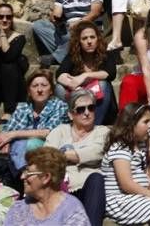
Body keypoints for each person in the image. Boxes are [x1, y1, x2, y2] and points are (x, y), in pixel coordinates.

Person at [45, 89, 109, 226]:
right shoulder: (60, 131)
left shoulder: (103, 132)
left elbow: (97, 152)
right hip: (60, 190)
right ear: (70, 114)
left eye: (91, 108)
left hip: (88, 190)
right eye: (80, 109)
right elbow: (46, 158)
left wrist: (65, 154)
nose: (87, 113)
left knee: (96, 178)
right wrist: (73, 155)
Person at [0, 69, 69, 179]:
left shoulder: (59, 105)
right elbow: (6, 131)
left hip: (50, 149)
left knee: (28, 143)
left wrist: (13, 135)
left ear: (51, 90)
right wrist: (4, 142)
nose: (39, 90)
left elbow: (48, 132)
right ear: (29, 91)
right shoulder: (22, 108)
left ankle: (25, 175)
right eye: (35, 86)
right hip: (21, 152)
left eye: (44, 85)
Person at [32, 0, 104, 68]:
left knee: (77, 32)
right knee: (38, 25)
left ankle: (57, 58)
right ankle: (67, 53)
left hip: (86, 30)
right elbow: (57, 12)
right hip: (67, 31)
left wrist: (79, 23)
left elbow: (95, 13)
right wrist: (55, 17)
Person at [3, 147, 90, 225]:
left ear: (46, 177)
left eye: (28, 173)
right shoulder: (18, 209)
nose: (22, 177)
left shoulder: (71, 211)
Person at [55, 22, 118, 125]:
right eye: (84, 38)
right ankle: (70, 123)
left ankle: (94, 125)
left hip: (98, 104)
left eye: (92, 37)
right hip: (78, 97)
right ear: (79, 41)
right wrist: (73, 86)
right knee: (59, 88)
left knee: (102, 84)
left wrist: (85, 75)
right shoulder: (73, 55)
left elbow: (110, 73)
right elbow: (59, 74)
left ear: (98, 39)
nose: (89, 41)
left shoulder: (106, 54)